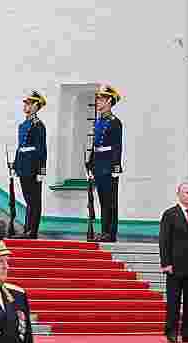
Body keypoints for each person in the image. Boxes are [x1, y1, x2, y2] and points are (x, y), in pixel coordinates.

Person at [158, 182, 188, 343]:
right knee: (174, 300)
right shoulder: (170, 214)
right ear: (178, 194)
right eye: (186, 193)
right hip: (175, 266)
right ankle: (171, 332)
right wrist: (166, 263)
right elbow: (164, 240)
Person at [86, 85, 123, 242]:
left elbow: (117, 145)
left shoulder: (115, 122)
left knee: (110, 201)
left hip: (109, 165)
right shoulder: (99, 121)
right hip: (99, 164)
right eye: (98, 99)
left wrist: (116, 166)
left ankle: (110, 233)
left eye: (101, 99)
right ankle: (104, 231)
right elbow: (96, 144)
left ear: (109, 101)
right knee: (102, 199)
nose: (98, 101)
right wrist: (90, 163)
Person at [13, 91, 47, 239]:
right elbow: (20, 146)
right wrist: (15, 164)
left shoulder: (38, 125)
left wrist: (41, 169)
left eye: (29, 103)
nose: (26, 105)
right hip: (23, 165)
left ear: (36, 106)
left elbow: (41, 148)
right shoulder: (23, 125)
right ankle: (27, 229)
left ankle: (32, 230)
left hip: (33, 166)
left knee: (34, 200)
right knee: (28, 199)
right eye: (25, 103)